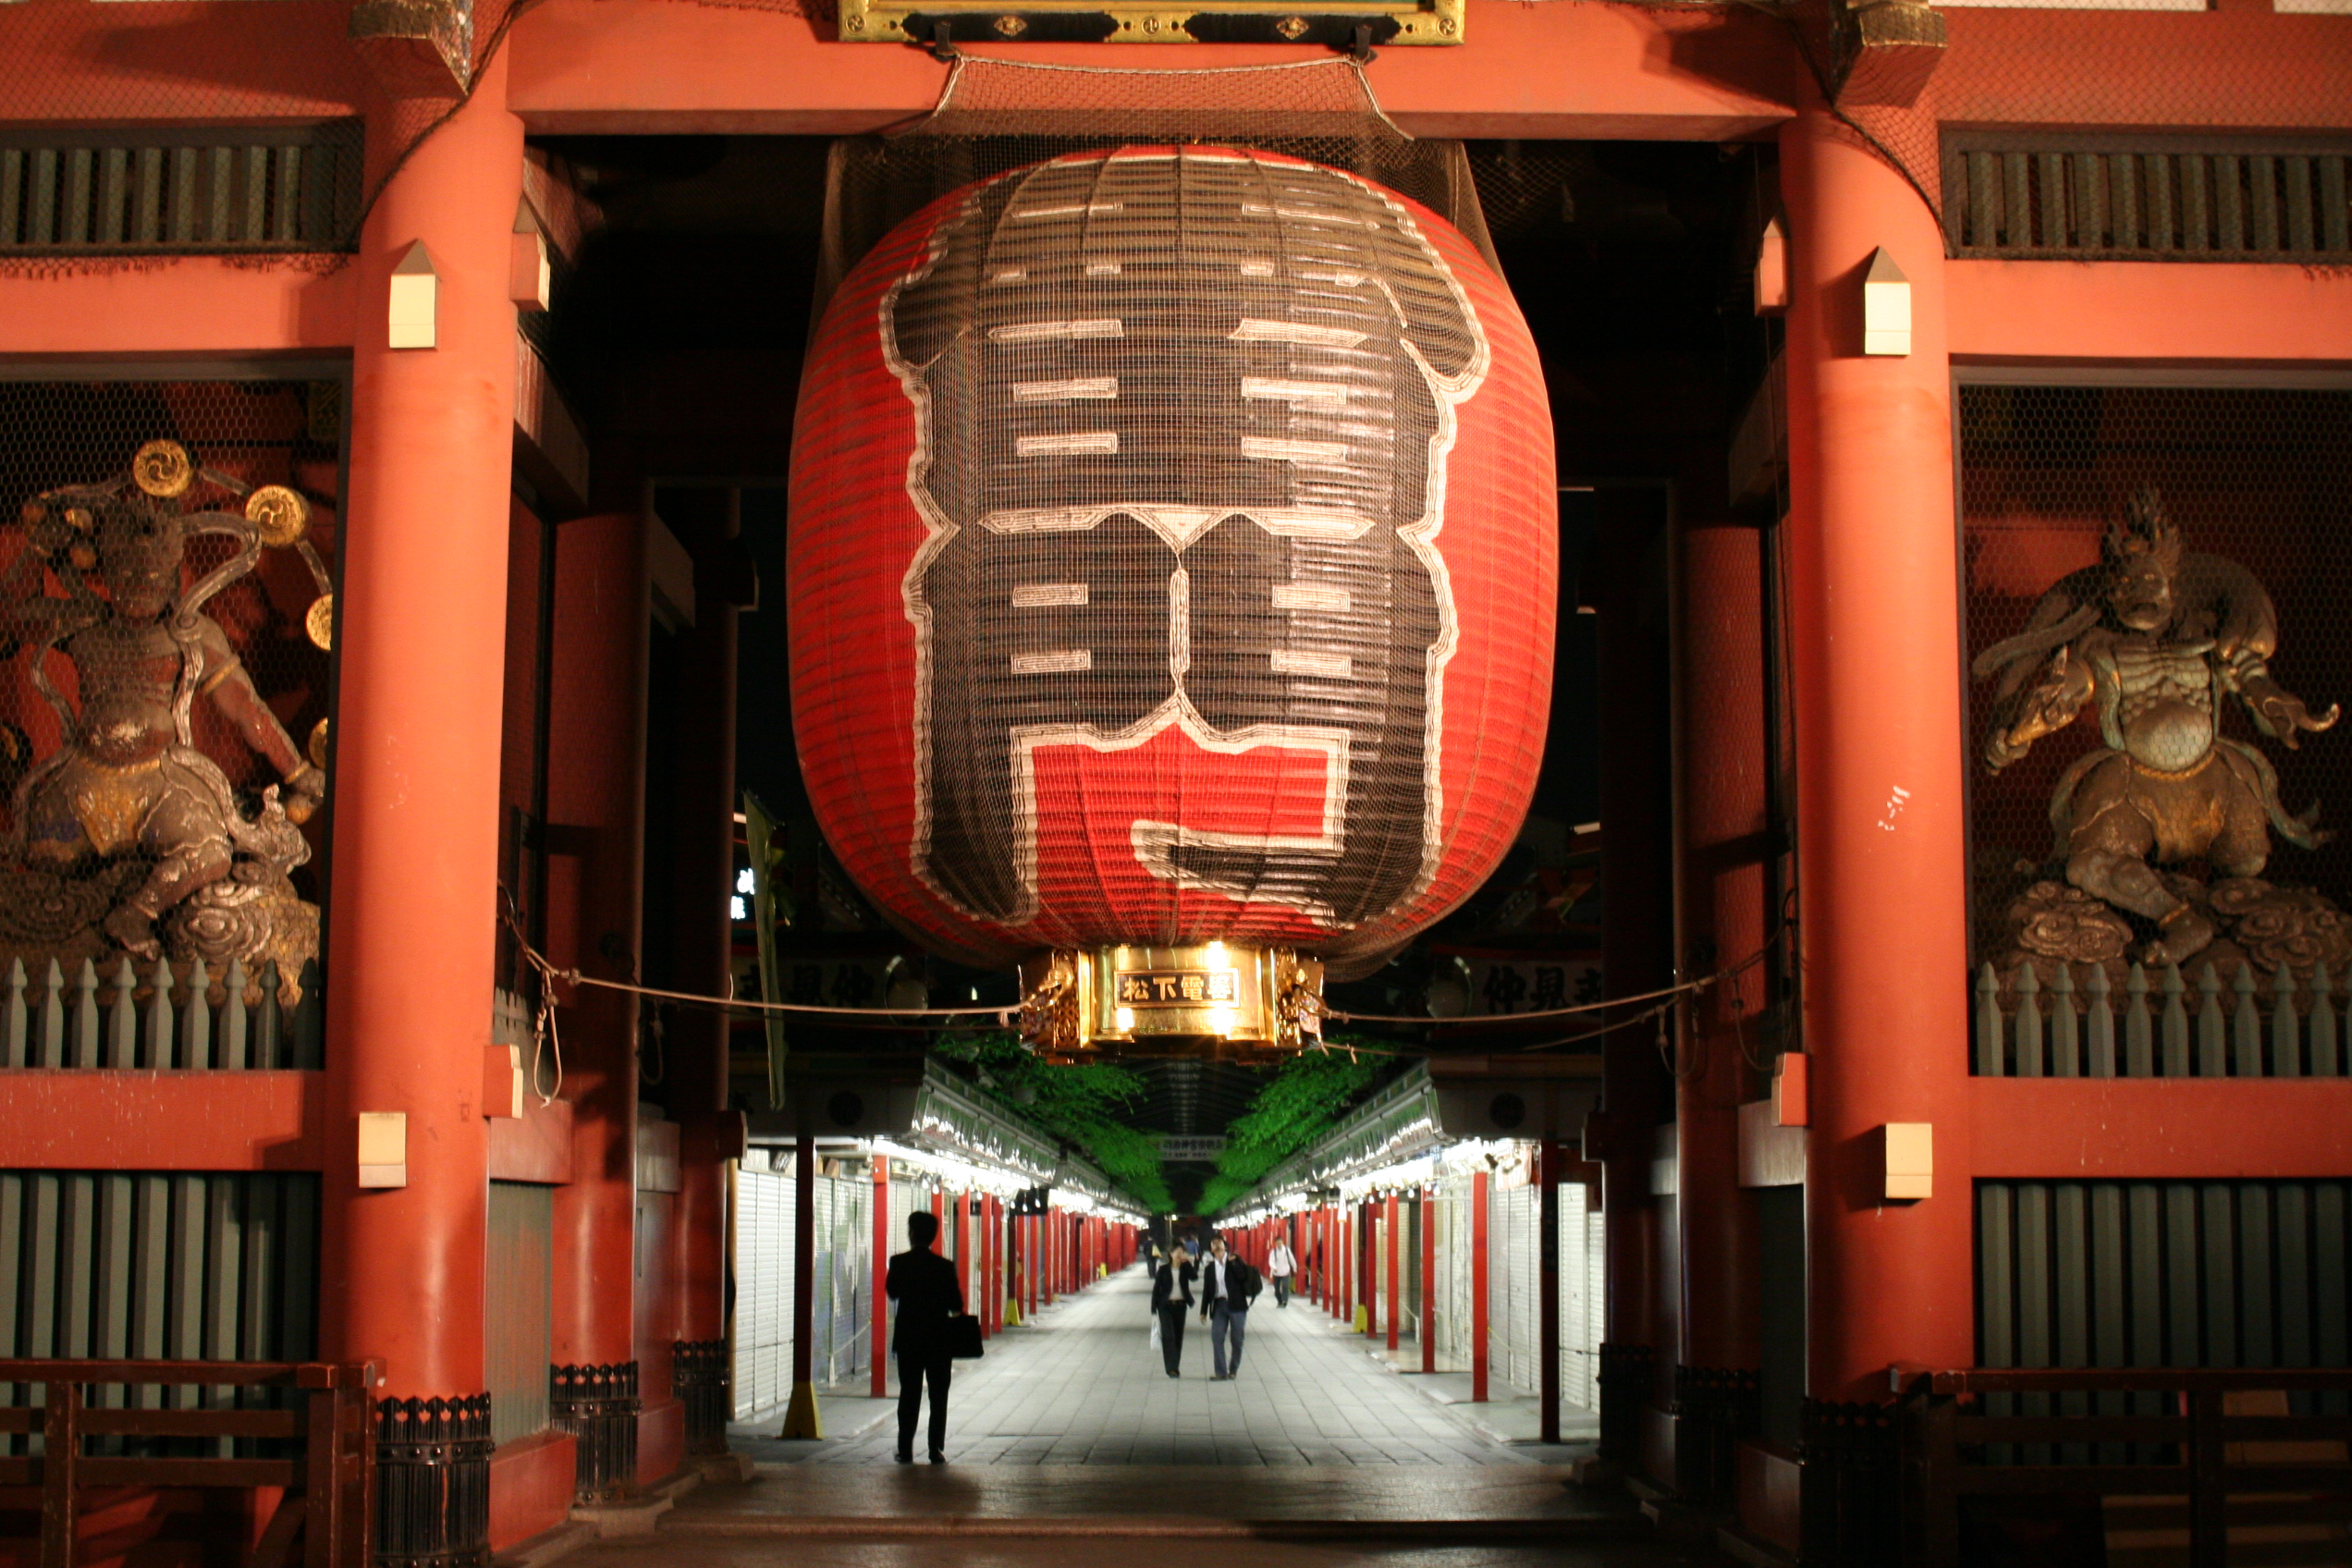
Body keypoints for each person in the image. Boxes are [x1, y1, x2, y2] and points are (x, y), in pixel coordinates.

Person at [886, 1209, 964, 1463]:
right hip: (939, 1340)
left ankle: (905, 1448)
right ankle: (935, 1449)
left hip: (909, 1339)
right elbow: (956, 1305)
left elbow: (892, 1293)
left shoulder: (898, 1262)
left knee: (909, 1393)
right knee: (938, 1395)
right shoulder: (945, 1267)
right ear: (934, 1235)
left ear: (911, 1233)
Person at [1198, 1235, 1260, 1380]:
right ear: (1211, 1249)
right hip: (1219, 1305)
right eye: (1214, 1245)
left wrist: (1230, 1263)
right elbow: (1207, 1291)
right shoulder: (1210, 1269)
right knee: (1217, 1337)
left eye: (1219, 1245)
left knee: (1237, 1339)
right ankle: (1221, 1371)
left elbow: (1243, 1277)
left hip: (1237, 1306)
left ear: (1225, 1247)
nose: (1217, 1248)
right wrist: (1203, 1311)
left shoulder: (1235, 1261)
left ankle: (1233, 1368)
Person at [1150, 1244, 1196, 1378]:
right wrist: (1153, 1307)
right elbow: (1156, 1288)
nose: (1179, 1254)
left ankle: (1175, 1366)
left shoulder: (1185, 1268)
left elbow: (1194, 1277)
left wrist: (1187, 1262)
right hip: (1165, 1306)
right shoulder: (1163, 1269)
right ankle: (1171, 1368)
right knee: (1168, 1335)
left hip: (1180, 1305)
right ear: (1170, 1254)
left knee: (1178, 1336)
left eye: (1182, 1252)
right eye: (1176, 1252)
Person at [1267, 1234, 1296, 1308]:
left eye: (1280, 1242)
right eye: (1277, 1243)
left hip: (1285, 1272)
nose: (1279, 1244)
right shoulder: (1274, 1252)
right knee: (1276, 1290)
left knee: (1285, 1286)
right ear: (1275, 1243)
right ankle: (1279, 1301)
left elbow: (1291, 1259)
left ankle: (1284, 1301)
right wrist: (1274, 1267)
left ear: (1282, 1242)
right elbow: (1271, 1261)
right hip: (1276, 1273)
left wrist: (1294, 1267)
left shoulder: (1286, 1250)